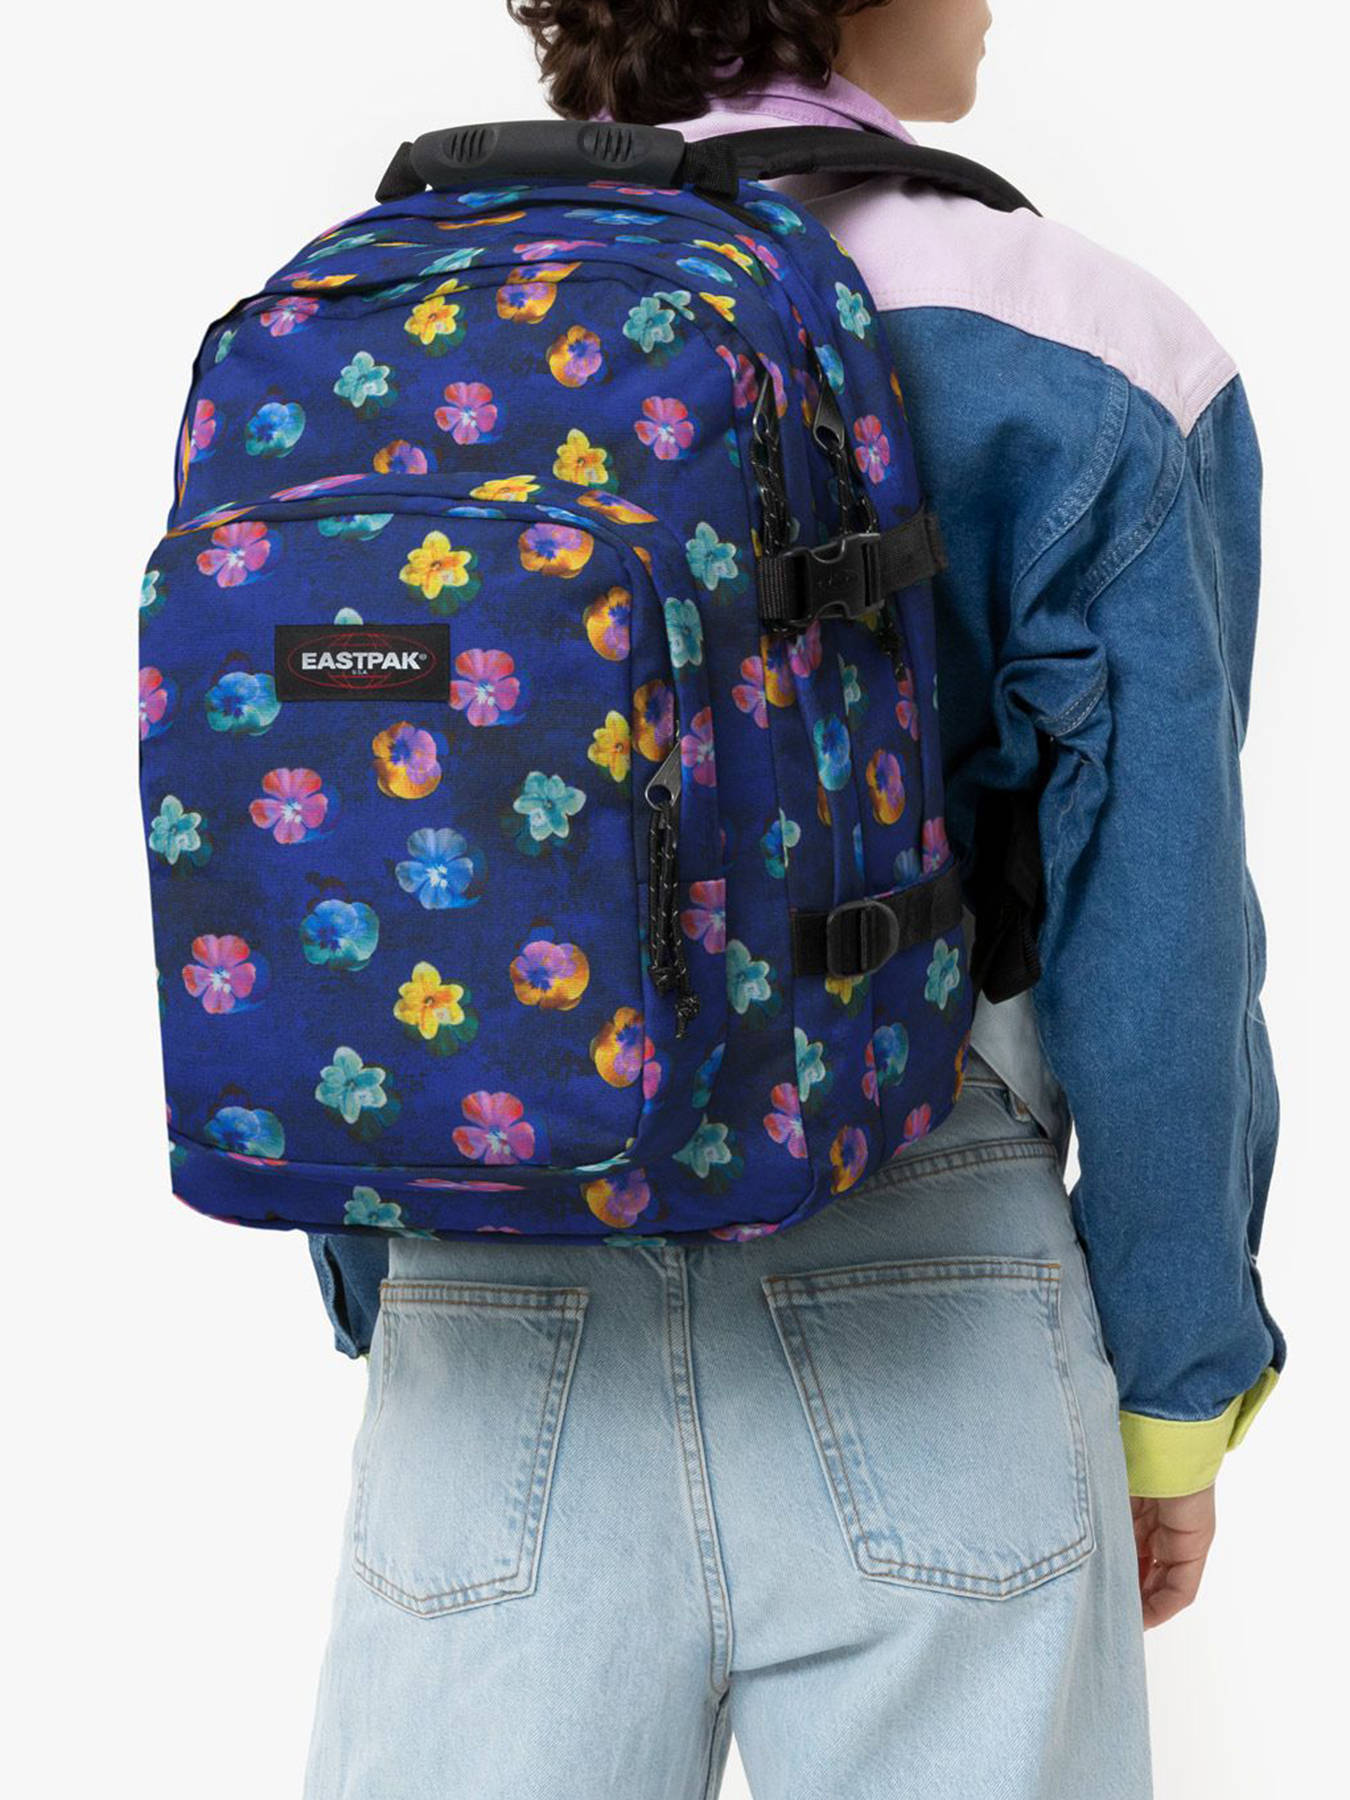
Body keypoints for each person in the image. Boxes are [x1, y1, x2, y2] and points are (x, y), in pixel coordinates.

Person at [303, 4, 1283, 1794]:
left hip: (488, 1284)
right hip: (924, 1269)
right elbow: (1159, 946)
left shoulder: (385, 322)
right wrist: (1171, 1389)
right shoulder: (1084, 345)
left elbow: (334, 869)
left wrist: (396, 1274)